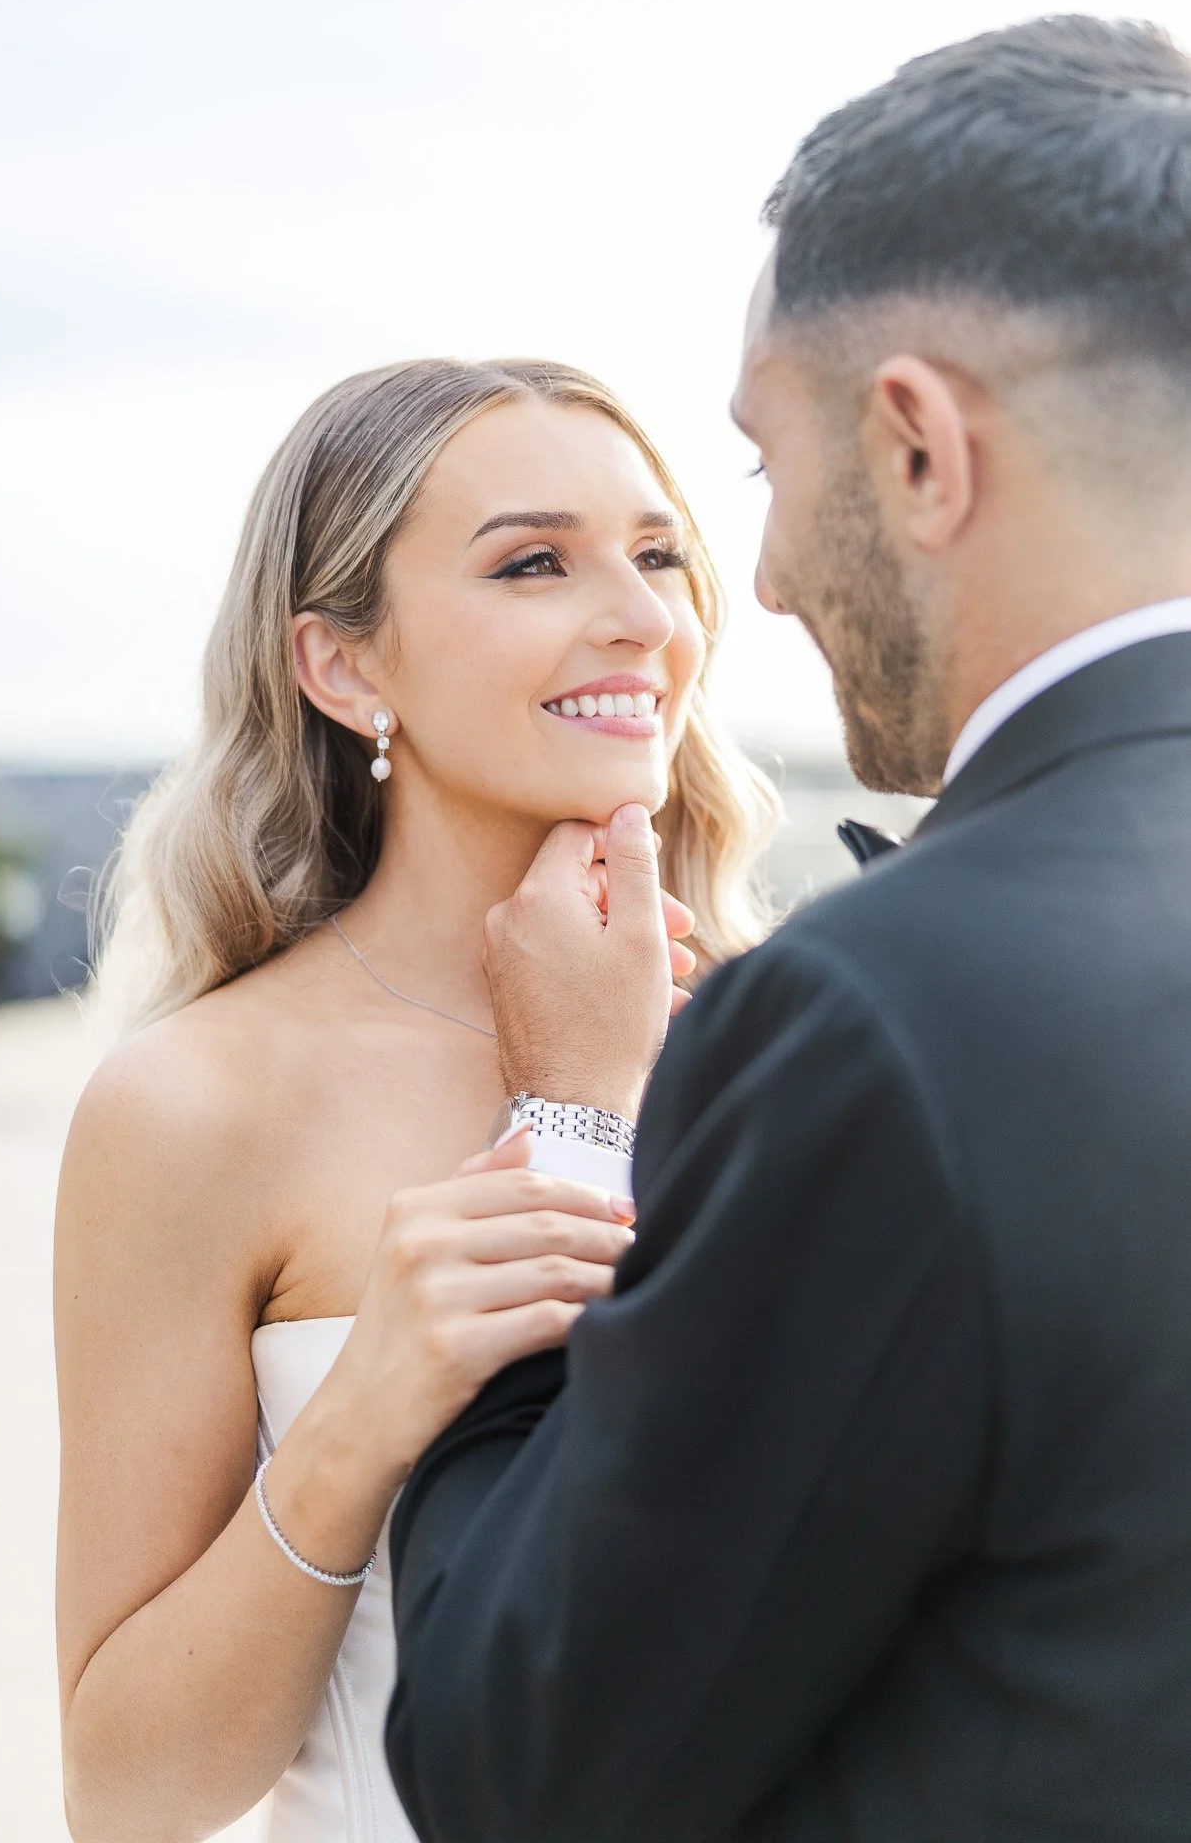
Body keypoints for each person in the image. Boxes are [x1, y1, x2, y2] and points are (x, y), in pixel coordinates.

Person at [385, 15, 1191, 1841]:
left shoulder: (879, 1014)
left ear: (915, 447)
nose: (749, 590)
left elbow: (526, 1762)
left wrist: (578, 1134)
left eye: (762, 470)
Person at [52, 357, 777, 1842]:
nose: (641, 616)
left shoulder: (795, 1042)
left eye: (659, 557)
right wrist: (363, 1414)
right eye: (532, 562)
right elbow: (130, 1796)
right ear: (345, 668)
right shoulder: (196, 1107)